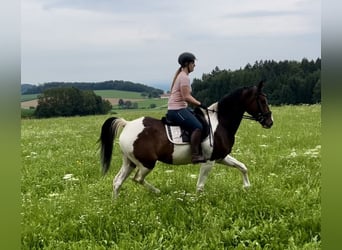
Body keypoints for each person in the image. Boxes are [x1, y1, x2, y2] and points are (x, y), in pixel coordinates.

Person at [166, 52, 206, 163]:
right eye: (193, 62)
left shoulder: (183, 76)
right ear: (187, 63)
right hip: (176, 110)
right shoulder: (184, 77)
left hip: (181, 108)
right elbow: (186, 97)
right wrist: (200, 104)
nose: (194, 65)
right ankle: (195, 155)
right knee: (197, 127)